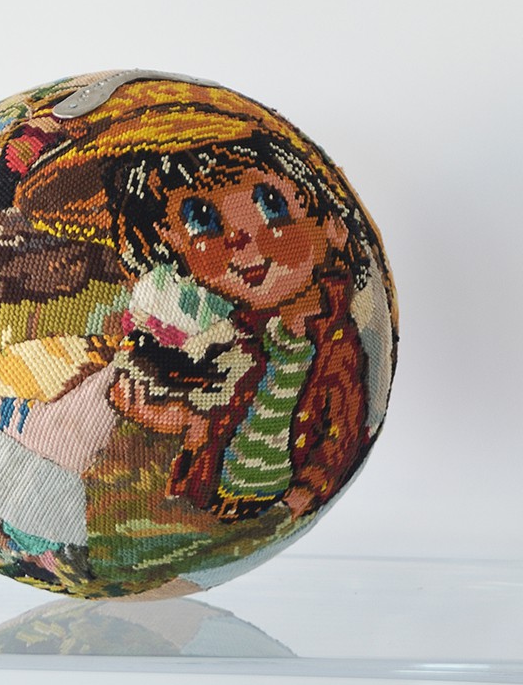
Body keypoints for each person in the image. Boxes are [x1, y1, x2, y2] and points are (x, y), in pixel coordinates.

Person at [106, 131, 375, 522]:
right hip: (214, 502)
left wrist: (305, 493)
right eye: (202, 221)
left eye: (271, 207)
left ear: (332, 224)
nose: (241, 240)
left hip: (277, 507)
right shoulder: (234, 334)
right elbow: (204, 411)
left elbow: (342, 430)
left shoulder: (336, 345)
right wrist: (156, 408)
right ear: (172, 240)